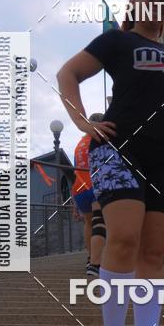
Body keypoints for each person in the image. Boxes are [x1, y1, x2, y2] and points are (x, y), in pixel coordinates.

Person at [57, 0, 164, 326]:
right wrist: (81, 122)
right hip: (118, 149)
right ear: (133, 2)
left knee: (152, 253)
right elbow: (68, 73)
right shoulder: (116, 40)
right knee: (124, 237)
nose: (157, 3)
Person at [72, 114, 106, 279]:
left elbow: (76, 169)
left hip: (79, 188)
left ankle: (90, 257)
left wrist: (73, 204)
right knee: (100, 220)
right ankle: (95, 264)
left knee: (88, 223)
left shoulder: (79, 144)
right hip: (95, 185)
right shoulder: (99, 138)